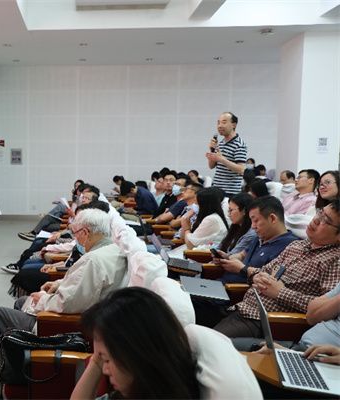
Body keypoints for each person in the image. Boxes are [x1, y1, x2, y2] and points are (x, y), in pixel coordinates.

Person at [0, 208, 128, 398]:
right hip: (91, 317)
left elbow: (66, 304)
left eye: (76, 233)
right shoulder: (113, 251)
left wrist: (42, 299)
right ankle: (13, 366)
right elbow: (86, 287)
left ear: (86, 232)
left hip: (66, 327)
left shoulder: (93, 261)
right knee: (21, 302)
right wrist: (59, 283)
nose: (75, 239)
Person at [70, 287, 262, 400]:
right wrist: (98, 359)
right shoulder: (139, 387)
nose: (104, 369)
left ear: (136, 353)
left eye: (107, 360)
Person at [212, 200, 340, 339]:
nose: (316, 220)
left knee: (206, 342)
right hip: (241, 307)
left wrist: (281, 292)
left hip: (268, 322)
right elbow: (264, 271)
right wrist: (257, 276)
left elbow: (324, 309)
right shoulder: (297, 246)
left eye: (325, 220)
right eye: (320, 213)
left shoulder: (335, 261)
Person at [206, 112, 248, 196]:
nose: (219, 126)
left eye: (224, 122)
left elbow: (241, 169)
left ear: (234, 125)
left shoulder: (239, 144)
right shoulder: (221, 143)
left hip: (230, 192)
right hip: (216, 189)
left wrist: (222, 159)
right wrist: (212, 151)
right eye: (218, 123)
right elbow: (211, 166)